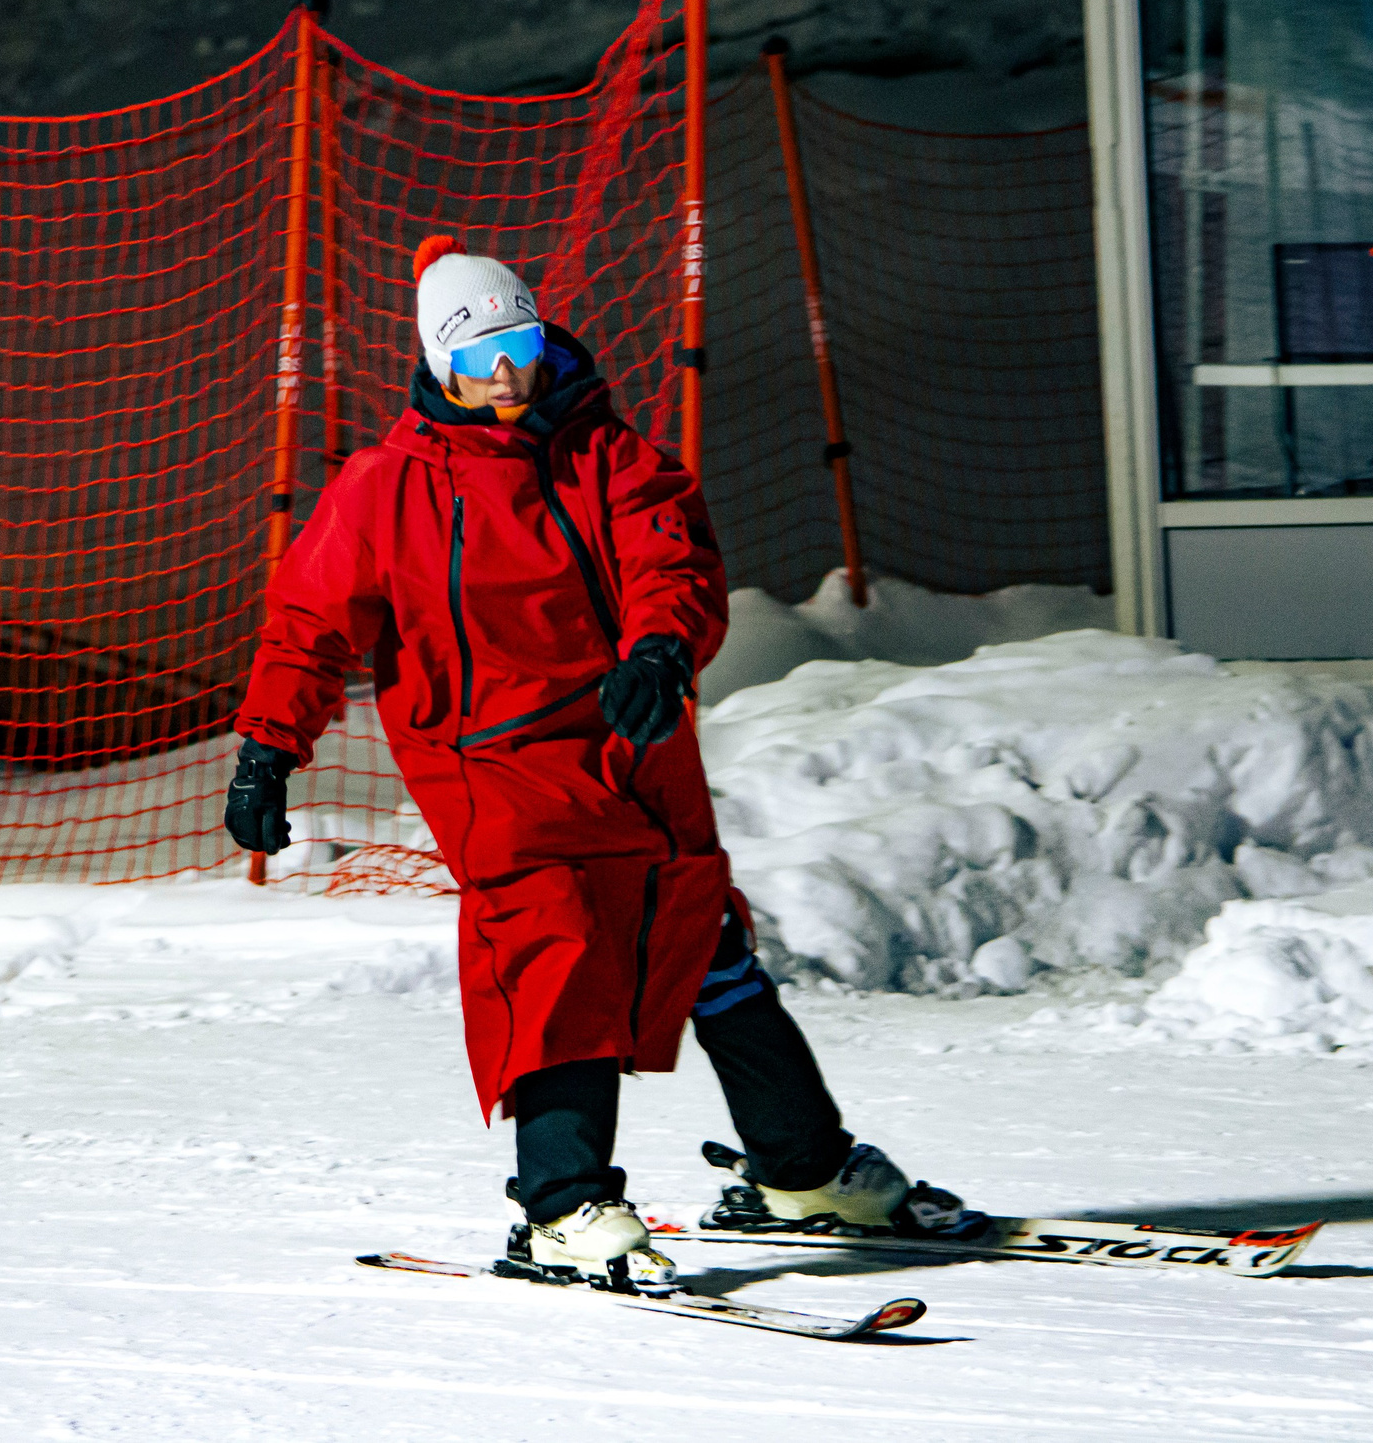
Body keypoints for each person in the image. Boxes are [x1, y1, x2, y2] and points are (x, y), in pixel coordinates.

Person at [223, 235, 969, 1280]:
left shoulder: (609, 454)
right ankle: (561, 1206)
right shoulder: (382, 488)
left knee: (706, 950)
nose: (505, 375)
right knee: (555, 950)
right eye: (477, 357)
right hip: (488, 762)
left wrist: (661, 652)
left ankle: (801, 1169)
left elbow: (671, 563)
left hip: (629, 744)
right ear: (438, 365)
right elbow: (308, 626)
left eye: (519, 345)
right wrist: (266, 748)